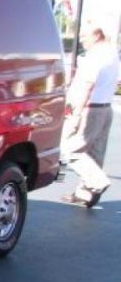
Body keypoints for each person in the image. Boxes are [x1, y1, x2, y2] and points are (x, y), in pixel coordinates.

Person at [61, 25, 119, 208]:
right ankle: (86, 195)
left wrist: (76, 112)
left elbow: (87, 84)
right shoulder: (112, 54)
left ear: (96, 35)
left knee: (71, 149)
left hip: (89, 109)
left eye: (84, 36)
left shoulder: (95, 57)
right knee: (94, 153)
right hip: (105, 108)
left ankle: (97, 181)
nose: (81, 40)